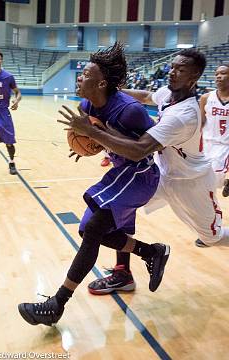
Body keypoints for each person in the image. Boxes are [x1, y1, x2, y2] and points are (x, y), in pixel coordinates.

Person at [18, 42, 170, 326]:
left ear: (101, 82)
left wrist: (93, 132)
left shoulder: (131, 111)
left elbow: (142, 149)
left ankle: (57, 304)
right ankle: (151, 252)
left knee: (94, 230)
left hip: (140, 175)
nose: (79, 77)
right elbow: (99, 136)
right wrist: (87, 143)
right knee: (89, 230)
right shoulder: (86, 105)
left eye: (84, 74)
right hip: (121, 172)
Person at [57, 48, 229, 293]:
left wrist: (94, 131)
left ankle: (143, 258)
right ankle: (123, 273)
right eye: (172, 66)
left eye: (181, 70)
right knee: (116, 209)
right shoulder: (169, 95)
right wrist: (107, 89)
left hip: (190, 182)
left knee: (212, 237)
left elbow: (139, 149)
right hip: (161, 172)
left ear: (194, 77)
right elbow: (148, 95)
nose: (172, 72)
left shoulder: (183, 115)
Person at [0, 49, 21, 175]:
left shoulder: (8, 77)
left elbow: (17, 92)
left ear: (1, 61)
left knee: (9, 142)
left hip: (2, 112)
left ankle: (12, 162)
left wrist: (16, 100)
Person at [200, 63, 229, 197]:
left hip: (225, 146)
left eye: (223, 73)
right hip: (206, 144)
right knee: (205, 181)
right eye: (217, 74)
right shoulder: (206, 98)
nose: (218, 76)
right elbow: (200, 122)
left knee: (209, 182)